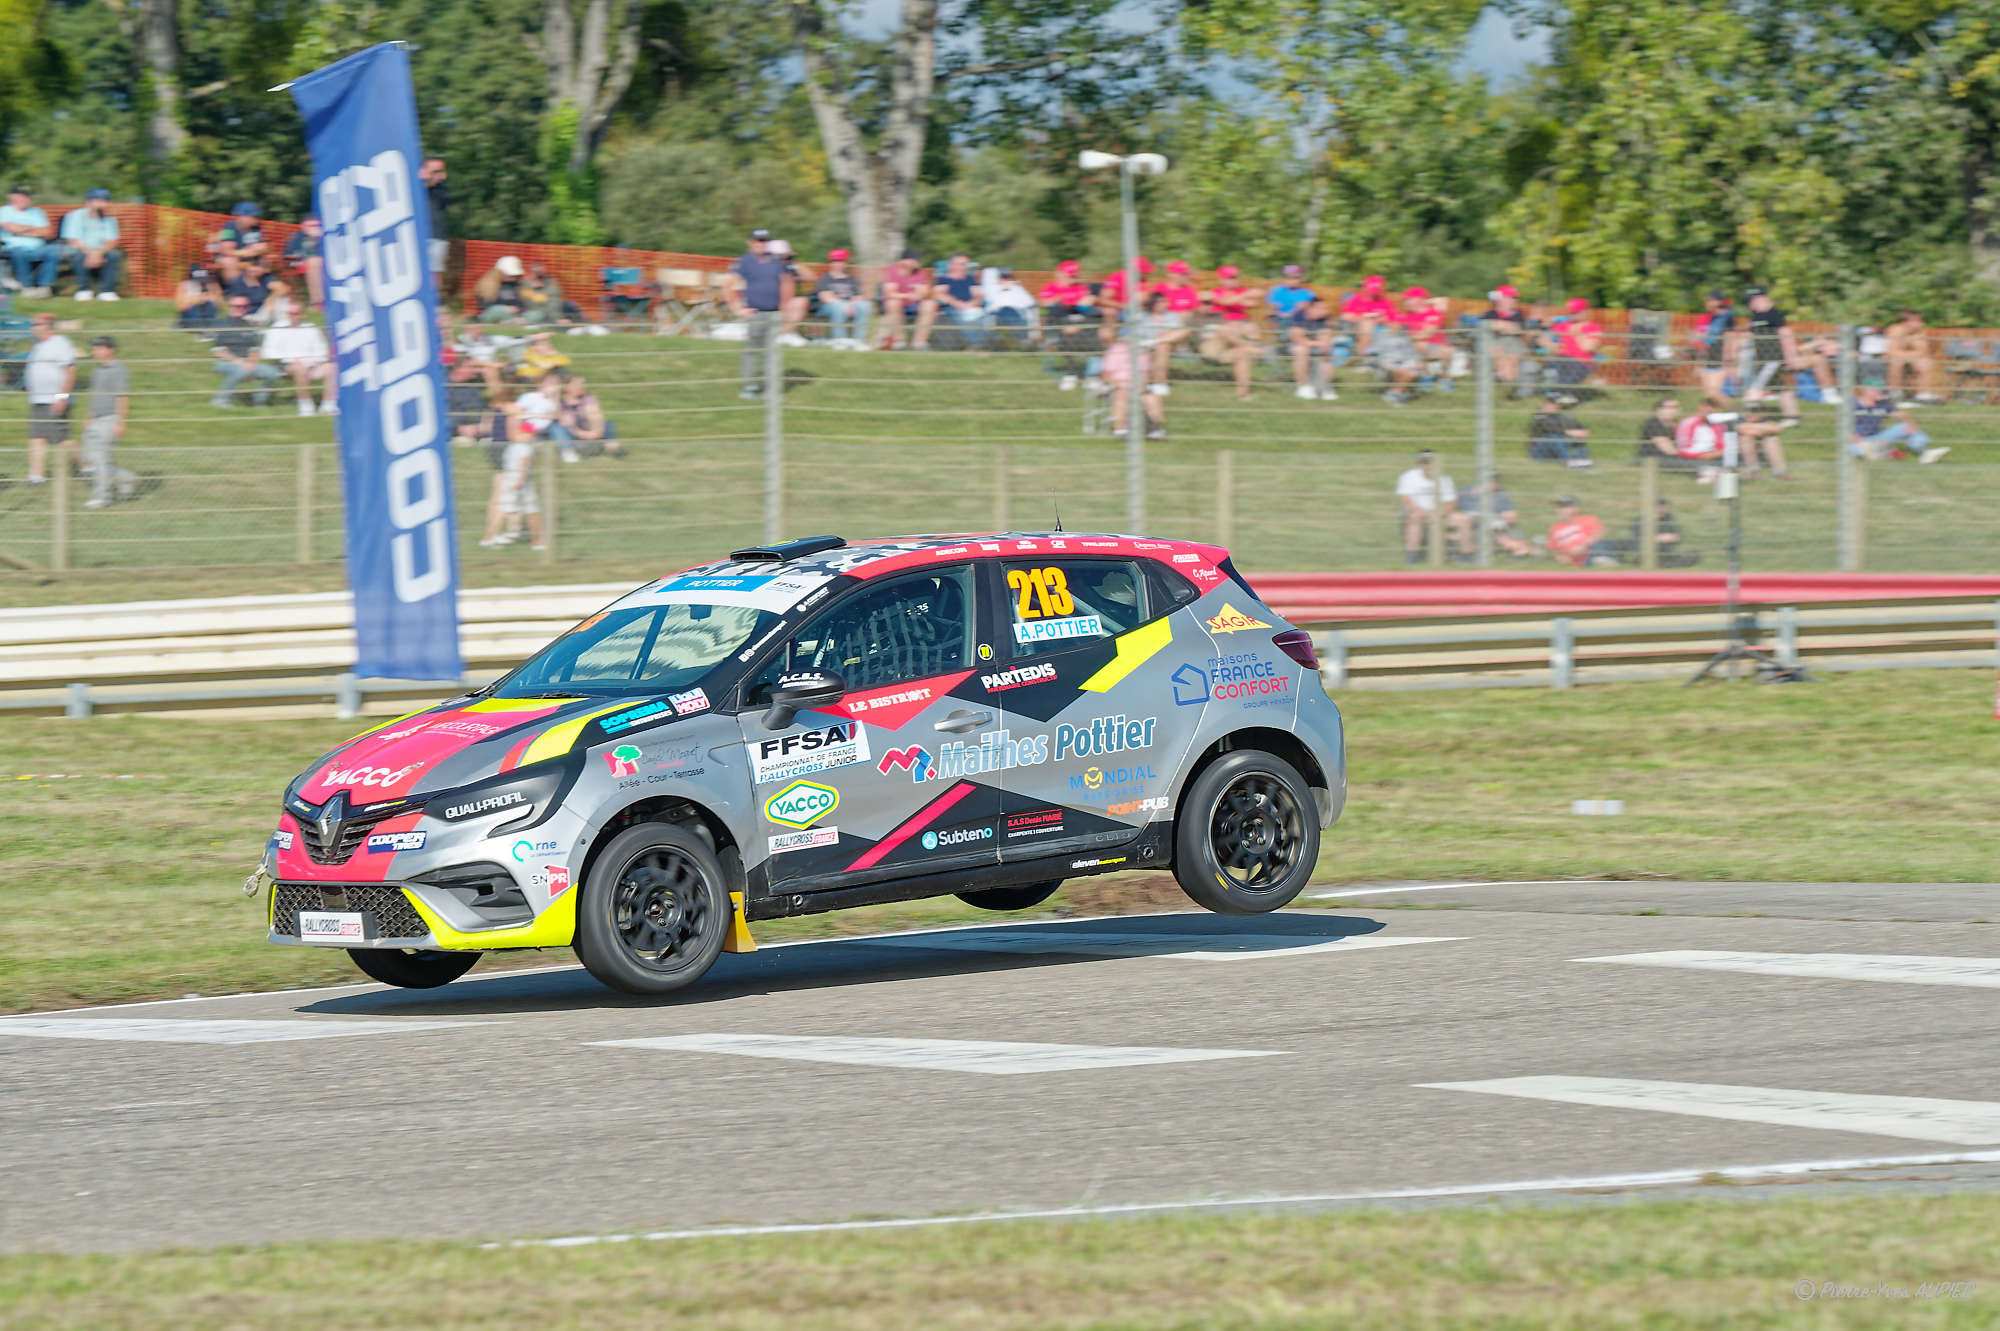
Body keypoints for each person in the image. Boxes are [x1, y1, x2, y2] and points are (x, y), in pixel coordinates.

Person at [726, 228, 790, 397]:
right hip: (755, 313)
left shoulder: (777, 262)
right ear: (750, 243)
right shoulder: (744, 262)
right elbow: (728, 286)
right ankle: (750, 387)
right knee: (751, 351)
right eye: (758, 241)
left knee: (773, 353)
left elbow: (786, 283)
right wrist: (738, 309)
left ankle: (773, 390)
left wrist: (785, 308)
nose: (761, 244)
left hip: (774, 313)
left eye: (764, 241)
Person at [79, 336, 137, 509]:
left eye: (97, 348)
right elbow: (96, 396)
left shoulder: (119, 370)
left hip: (108, 420)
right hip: (95, 420)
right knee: (91, 457)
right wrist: (89, 416)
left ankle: (102, 497)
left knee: (99, 459)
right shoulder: (98, 370)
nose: (93, 352)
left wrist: (120, 422)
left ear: (109, 350)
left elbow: (122, 397)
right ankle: (125, 477)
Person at [23, 312, 77, 484]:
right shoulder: (38, 345)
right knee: (37, 437)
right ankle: (36, 476)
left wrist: (62, 397)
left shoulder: (60, 343)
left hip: (55, 400)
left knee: (61, 439)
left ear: (47, 325)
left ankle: (87, 465)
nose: (32, 328)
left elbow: (70, 371)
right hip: (39, 400)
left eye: (36, 324)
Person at [260, 299, 335, 416]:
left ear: (303, 314)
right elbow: (268, 352)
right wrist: (290, 359)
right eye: (289, 313)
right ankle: (306, 406)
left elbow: (322, 350)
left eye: (295, 313)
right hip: (286, 367)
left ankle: (328, 405)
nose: (292, 316)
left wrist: (313, 361)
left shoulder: (311, 328)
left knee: (332, 367)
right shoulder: (277, 328)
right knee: (299, 368)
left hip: (311, 366)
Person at [1395, 450, 1470, 563]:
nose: (1428, 465)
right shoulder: (1408, 477)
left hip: (1440, 514)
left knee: (1464, 519)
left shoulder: (1445, 479)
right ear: (1419, 464)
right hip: (1418, 514)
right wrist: (1425, 514)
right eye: (1425, 462)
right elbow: (1407, 501)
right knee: (1416, 518)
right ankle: (1412, 558)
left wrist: (1437, 515)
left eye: (1431, 462)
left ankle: (1467, 557)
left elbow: (1450, 503)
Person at [1742, 286, 1802, 425]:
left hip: (1773, 359)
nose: (1750, 304)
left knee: (1754, 388)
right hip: (1763, 359)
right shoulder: (1756, 315)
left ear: (1761, 298)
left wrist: (1791, 357)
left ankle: (1752, 419)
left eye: (1751, 300)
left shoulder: (1774, 314)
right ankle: (1791, 418)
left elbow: (1786, 335)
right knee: (1781, 388)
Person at [209, 293, 282, 406]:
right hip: (225, 363)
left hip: (248, 364)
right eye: (236, 306)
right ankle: (221, 399)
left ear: (247, 308)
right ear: (230, 307)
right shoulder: (219, 324)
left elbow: (254, 350)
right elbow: (219, 352)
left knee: (273, 373)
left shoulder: (250, 325)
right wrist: (241, 363)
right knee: (241, 370)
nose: (240, 309)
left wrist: (252, 364)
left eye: (243, 306)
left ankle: (258, 400)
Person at [1203, 264, 1262, 400]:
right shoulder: (1216, 291)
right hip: (1218, 341)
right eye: (1229, 278)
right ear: (1221, 279)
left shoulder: (1241, 291)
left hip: (1237, 336)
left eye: (1235, 277)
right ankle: (1250, 348)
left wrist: (1239, 297)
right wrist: (1244, 295)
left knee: (1246, 342)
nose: (1234, 280)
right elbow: (1226, 301)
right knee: (1227, 328)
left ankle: (1243, 393)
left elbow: (1253, 304)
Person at [1849, 385, 1948, 463]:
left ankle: (1925, 452)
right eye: (1875, 390)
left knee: (1904, 427)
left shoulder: (1882, 403)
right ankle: (1884, 454)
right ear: (1865, 391)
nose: (1879, 392)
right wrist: (1856, 438)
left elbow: (1900, 415)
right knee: (1854, 450)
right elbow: (1845, 428)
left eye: (1879, 390)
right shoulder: (1853, 404)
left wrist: (1911, 424)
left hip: (1879, 438)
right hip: (1860, 441)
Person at [1103, 320, 1166, 441]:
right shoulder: (1117, 350)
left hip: (1138, 387)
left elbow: (1148, 373)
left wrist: (1143, 385)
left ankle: (1155, 430)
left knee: (1153, 398)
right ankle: (1121, 431)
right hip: (1119, 386)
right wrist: (1120, 386)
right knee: (1122, 395)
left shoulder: (1143, 352)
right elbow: (1106, 374)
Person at [58, 189, 122, 300]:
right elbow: (73, 240)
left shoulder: (110, 220)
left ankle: (107, 291)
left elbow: (112, 241)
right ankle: (83, 290)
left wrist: (98, 253)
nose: (104, 204)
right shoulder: (75, 216)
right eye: (100, 201)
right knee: (78, 255)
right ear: (89, 202)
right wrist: (91, 253)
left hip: (100, 251)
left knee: (113, 255)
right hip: (79, 249)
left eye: (106, 201)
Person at [1460, 473, 1536, 558]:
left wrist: (1509, 516)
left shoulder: (1501, 494)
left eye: (1495, 480)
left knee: (1512, 533)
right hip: (1473, 525)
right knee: (1495, 527)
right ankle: (1522, 550)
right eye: (1491, 480)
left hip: (1497, 525)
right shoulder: (1465, 492)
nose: (1495, 483)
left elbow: (1512, 517)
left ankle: (1523, 551)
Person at [551, 372, 623, 460]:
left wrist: (596, 432)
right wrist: (581, 433)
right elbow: (567, 423)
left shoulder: (588, 398)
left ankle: (613, 448)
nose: (582, 386)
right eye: (578, 384)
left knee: (607, 423)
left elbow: (597, 417)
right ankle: (568, 452)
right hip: (576, 440)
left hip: (594, 437)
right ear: (566, 387)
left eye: (583, 383)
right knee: (558, 427)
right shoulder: (561, 403)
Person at [1, 185, 58, 295]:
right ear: (12, 197)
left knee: (53, 250)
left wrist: (22, 230)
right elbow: (12, 228)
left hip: (38, 247)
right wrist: (35, 229)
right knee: (18, 252)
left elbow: (48, 232)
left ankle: (44, 287)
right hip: (12, 247)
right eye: (20, 196)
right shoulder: (3, 211)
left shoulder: (37, 212)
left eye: (27, 196)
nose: (24, 199)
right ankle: (27, 286)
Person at [878, 251, 936, 350]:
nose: (917, 262)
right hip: (897, 304)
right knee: (893, 303)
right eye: (914, 260)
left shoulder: (920, 273)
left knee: (930, 304)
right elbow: (890, 293)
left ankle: (919, 343)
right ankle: (900, 341)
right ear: (904, 261)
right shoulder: (892, 272)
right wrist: (908, 295)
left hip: (914, 304)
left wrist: (922, 293)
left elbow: (926, 292)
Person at [815, 249, 871, 348]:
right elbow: (825, 297)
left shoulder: (852, 279)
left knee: (865, 305)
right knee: (838, 306)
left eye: (840, 261)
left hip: (849, 305)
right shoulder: (825, 278)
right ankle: (839, 340)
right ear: (830, 263)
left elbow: (858, 296)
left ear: (846, 263)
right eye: (834, 261)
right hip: (827, 307)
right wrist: (844, 304)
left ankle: (859, 341)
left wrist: (852, 304)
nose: (837, 264)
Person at [1882, 310, 1941, 404]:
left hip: (1908, 357)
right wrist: (1912, 353)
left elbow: (1924, 351)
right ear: (1907, 322)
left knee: (1925, 363)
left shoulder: (1918, 332)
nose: (1922, 323)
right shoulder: (1895, 330)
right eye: (1918, 321)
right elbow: (1892, 352)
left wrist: (1910, 355)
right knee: (1896, 362)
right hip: (1890, 357)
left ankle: (1923, 394)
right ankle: (1895, 393)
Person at [1288, 296, 1338, 400]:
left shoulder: (1324, 319)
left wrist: (1321, 344)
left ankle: (1325, 387)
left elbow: (1325, 337)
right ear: (1310, 308)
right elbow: (1297, 338)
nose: (1324, 311)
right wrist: (1318, 343)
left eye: (1325, 308)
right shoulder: (1299, 315)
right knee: (1301, 350)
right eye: (1321, 308)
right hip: (1292, 346)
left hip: (1313, 345)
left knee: (1326, 350)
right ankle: (1303, 386)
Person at [932, 253, 986, 349]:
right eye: (960, 264)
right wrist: (957, 303)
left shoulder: (970, 279)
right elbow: (938, 294)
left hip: (970, 307)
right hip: (952, 308)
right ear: (951, 265)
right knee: (967, 316)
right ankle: (976, 346)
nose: (963, 267)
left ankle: (978, 345)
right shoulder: (944, 279)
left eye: (965, 264)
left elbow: (979, 295)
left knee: (985, 316)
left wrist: (971, 304)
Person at [1527, 391, 1592, 468]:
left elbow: (1578, 426)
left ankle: (1583, 459)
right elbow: (1548, 428)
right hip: (1538, 452)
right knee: (1552, 437)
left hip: (1554, 452)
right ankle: (1569, 461)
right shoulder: (1539, 415)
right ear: (1542, 404)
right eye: (1549, 403)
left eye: (1555, 404)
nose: (1552, 406)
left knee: (1575, 437)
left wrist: (1581, 431)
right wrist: (1569, 432)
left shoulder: (1562, 416)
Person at [1550, 296, 1601, 392]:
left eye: (1577, 312)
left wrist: (1577, 333)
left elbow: (1588, 348)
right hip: (1562, 359)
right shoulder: (1563, 325)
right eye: (1572, 312)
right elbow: (1548, 339)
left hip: (1582, 362)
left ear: (1585, 311)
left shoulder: (1592, 327)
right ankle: (1561, 396)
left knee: (1571, 368)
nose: (1573, 315)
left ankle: (1556, 397)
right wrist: (1553, 346)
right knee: (1560, 364)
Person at [1477, 285, 1526, 383]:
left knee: (1512, 358)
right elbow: (1482, 327)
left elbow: (1516, 329)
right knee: (1498, 351)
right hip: (1494, 344)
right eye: (1511, 297)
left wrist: (1499, 325)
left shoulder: (1518, 314)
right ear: (1500, 299)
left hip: (1512, 344)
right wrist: (1503, 326)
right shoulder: (1489, 314)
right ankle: (1503, 380)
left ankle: (1504, 380)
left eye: (1515, 298)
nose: (1514, 300)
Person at [1692, 289, 1735, 400]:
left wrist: (1728, 362)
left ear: (1718, 302)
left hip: (1721, 362)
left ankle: (1736, 415)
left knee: (1716, 395)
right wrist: (1699, 363)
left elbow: (1729, 341)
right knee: (1710, 396)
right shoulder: (1712, 318)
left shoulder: (1727, 317)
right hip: (1710, 360)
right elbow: (1703, 342)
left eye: (1709, 300)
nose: (1706, 303)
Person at [1338, 274, 1394, 357]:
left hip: (1380, 329)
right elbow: (1344, 316)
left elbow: (1392, 318)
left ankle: (1363, 357)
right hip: (1357, 328)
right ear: (1365, 289)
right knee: (1366, 324)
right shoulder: (1355, 300)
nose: (1374, 294)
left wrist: (1381, 320)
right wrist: (1362, 318)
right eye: (1371, 292)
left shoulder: (1385, 302)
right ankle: (1362, 356)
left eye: (1376, 292)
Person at [1637, 396, 1697, 472]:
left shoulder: (1677, 424)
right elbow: (1668, 449)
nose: (1673, 410)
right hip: (1655, 459)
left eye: (1675, 407)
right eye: (1668, 407)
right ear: (1659, 409)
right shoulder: (1653, 423)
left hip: (1673, 457)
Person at [1546, 495, 1607, 568]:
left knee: (1603, 545)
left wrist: (1583, 545)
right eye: (1558, 507)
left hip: (1591, 550)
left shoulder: (1587, 519)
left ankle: (1601, 560)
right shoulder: (1555, 528)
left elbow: (1599, 533)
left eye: (1563, 507)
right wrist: (1561, 557)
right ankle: (1600, 561)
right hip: (1578, 561)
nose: (1559, 510)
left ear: (1575, 509)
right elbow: (1553, 549)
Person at [418, 156, 451, 277]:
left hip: (436, 238)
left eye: (440, 171)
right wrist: (422, 181)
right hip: (415, 237)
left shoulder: (442, 189)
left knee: (434, 277)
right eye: (434, 171)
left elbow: (444, 200)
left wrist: (431, 183)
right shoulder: (413, 185)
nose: (437, 175)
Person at [982, 268, 1038, 340]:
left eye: (1007, 278)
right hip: (997, 315)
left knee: (1012, 315)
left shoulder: (1017, 289)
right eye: (1003, 277)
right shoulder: (993, 289)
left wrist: (1013, 287)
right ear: (998, 279)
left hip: (1015, 315)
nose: (1005, 280)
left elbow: (1030, 302)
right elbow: (988, 273)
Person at [282, 214, 323, 309]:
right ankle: (317, 302)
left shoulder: (323, 237)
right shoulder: (297, 238)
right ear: (303, 226)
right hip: (295, 263)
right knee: (313, 262)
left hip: (319, 264)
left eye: (316, 226)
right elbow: (288, 257)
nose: (314, 228)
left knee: (315, 262)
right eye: (310, 226)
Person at [475, 255, 530, 323]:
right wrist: (505, 309)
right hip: (492, 315)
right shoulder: (487, 285)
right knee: (497, 311)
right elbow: (486, 307)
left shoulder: (517, 285)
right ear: (499, 272)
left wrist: (518, 309)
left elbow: (521, 305)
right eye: (510, 274)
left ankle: (512, 322)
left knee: (536, 314)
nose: (513, 277)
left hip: (514, 315)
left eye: (515, 275)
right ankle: (512, 322)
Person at [174, 263, 220, 328]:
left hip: (206, 314)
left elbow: (217, 304)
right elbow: (179, 306)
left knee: (209, 304)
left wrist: (207, 298)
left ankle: (207, 324)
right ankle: (192, 324)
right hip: (190, 315)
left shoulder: (211, 285)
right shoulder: (184, 285)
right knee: (193, 306)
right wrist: (197, 299)